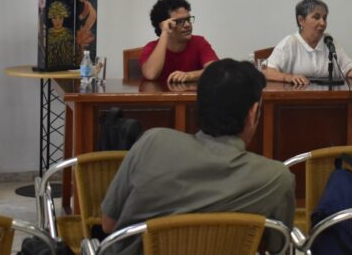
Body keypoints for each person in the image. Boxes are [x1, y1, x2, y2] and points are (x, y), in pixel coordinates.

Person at [100, 59, 295, 255]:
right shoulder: (275, 178)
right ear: (253, 113)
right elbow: (279, 247)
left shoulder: (152, 142)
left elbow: (108, 224)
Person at [265, 0, 352, 86]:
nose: (322, 23)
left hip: (329, 100)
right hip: (296, 103)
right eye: (316, 17)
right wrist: (288, 77)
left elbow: (347, 69)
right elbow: (265, 71)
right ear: (301, 20)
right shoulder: (290, 43)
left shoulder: (329, 41)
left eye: (324, 18)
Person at [139, 0, 218, 83]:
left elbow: (216, 72)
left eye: (188, 19)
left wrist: (190, 75)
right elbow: (151, 74)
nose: (187, 25)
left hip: (192, 96)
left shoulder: (199, 42)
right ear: (164, 25)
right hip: (160, 96)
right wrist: (164, 32)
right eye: (180, 21)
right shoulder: (151, 47)